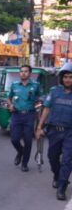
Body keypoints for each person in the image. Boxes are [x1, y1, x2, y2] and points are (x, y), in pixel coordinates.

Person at [36, 62, 72, 200]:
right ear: (62, 78)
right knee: (52, 157)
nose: (68, 79)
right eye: (66, 77)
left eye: (70, 77)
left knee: (68, 160)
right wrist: (39, 127)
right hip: (54, 131)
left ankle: (62, 187)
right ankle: (57, 175)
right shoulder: (54, 91)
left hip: (70, 132)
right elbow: (46, 109)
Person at [8, 64, 42, 172]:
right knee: (14, 139)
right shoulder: (14, 85)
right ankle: (20, 151)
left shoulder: (36, 85)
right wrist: (10, 105)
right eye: (21, 71)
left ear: (30, 73)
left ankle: (24, 163)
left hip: (29, 115)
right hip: (16, 115)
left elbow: (40, 99)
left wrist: (38, 104)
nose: (23, 73)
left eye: (26, 71)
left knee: (28, 140)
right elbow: (9, 98)